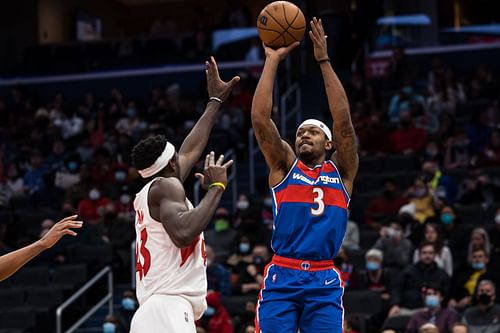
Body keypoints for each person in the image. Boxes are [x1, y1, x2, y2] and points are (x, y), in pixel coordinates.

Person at [251, 18, 358, 332]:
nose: (303, 136)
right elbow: (260, 119)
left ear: (328, 143)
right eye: (299, 133)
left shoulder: (342, 171)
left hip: (323, 278)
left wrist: (323, 61)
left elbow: (344, 123)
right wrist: (271, 61)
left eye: (312, 132)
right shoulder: (284, 166)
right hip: (283, 273)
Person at [129, 56, 239, 333]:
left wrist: (215, 102)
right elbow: (182, 233)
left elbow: (190, 150)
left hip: (156, 310)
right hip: (167, 308)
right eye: (177, 157)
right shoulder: (167, 188)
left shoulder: (157, 188)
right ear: (171, 164)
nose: (184, 158)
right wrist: (217, 189)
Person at [0, 215, 82, 281]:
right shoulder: (35, 240)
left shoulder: (62, 243)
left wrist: (42, 244)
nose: (48, 231)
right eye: (44, 228)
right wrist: (41, 243)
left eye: (49, 228)